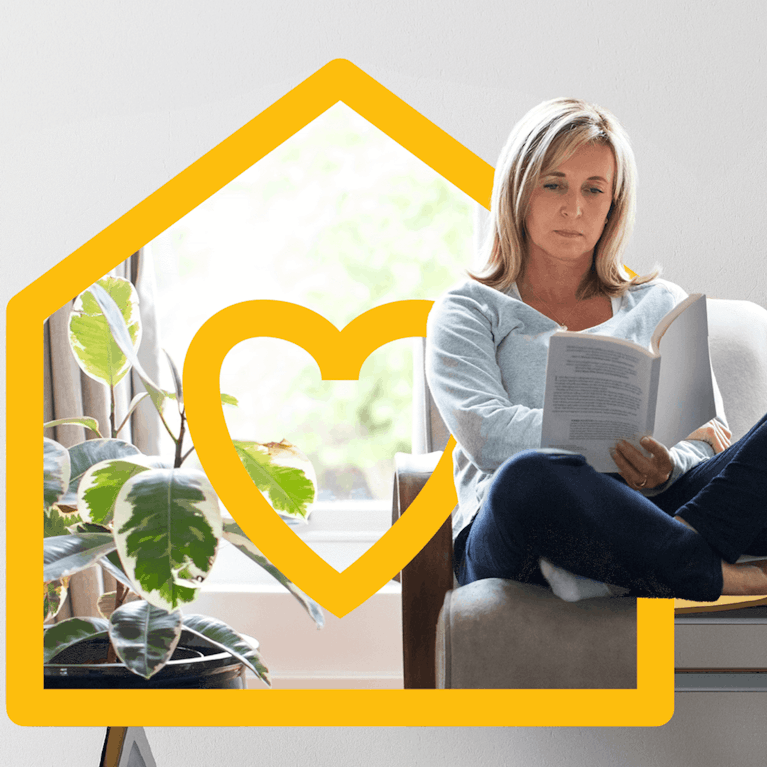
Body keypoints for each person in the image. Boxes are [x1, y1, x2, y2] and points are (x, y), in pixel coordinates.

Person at [426, 97, 767, 603]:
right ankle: (705, 571)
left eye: (594, 190)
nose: (574, 208)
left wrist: (665, 465)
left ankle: (648, 558)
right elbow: (486, 435)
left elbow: (706, 437)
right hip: (524, 526)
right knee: (528, 474)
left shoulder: (662, 302)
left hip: (653, 507)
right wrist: (601, 439)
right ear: (519, 192)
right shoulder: (468, 308)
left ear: (613, 204)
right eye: (554, 184)